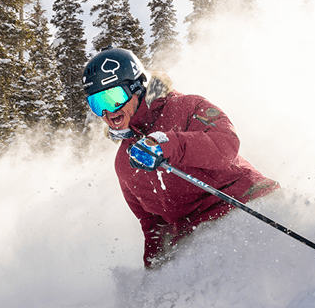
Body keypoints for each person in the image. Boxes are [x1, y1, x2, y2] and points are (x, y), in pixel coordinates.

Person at [82, 47, 280, 269]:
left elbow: (226, 145)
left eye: (113, 98)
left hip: (248, 205)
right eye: (97, 104)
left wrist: (168, 145)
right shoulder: (125, 162)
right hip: (202, 240)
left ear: (136, 87)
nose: (108, 112)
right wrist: (155, 272)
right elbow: (152, 223)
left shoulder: (186, 107)